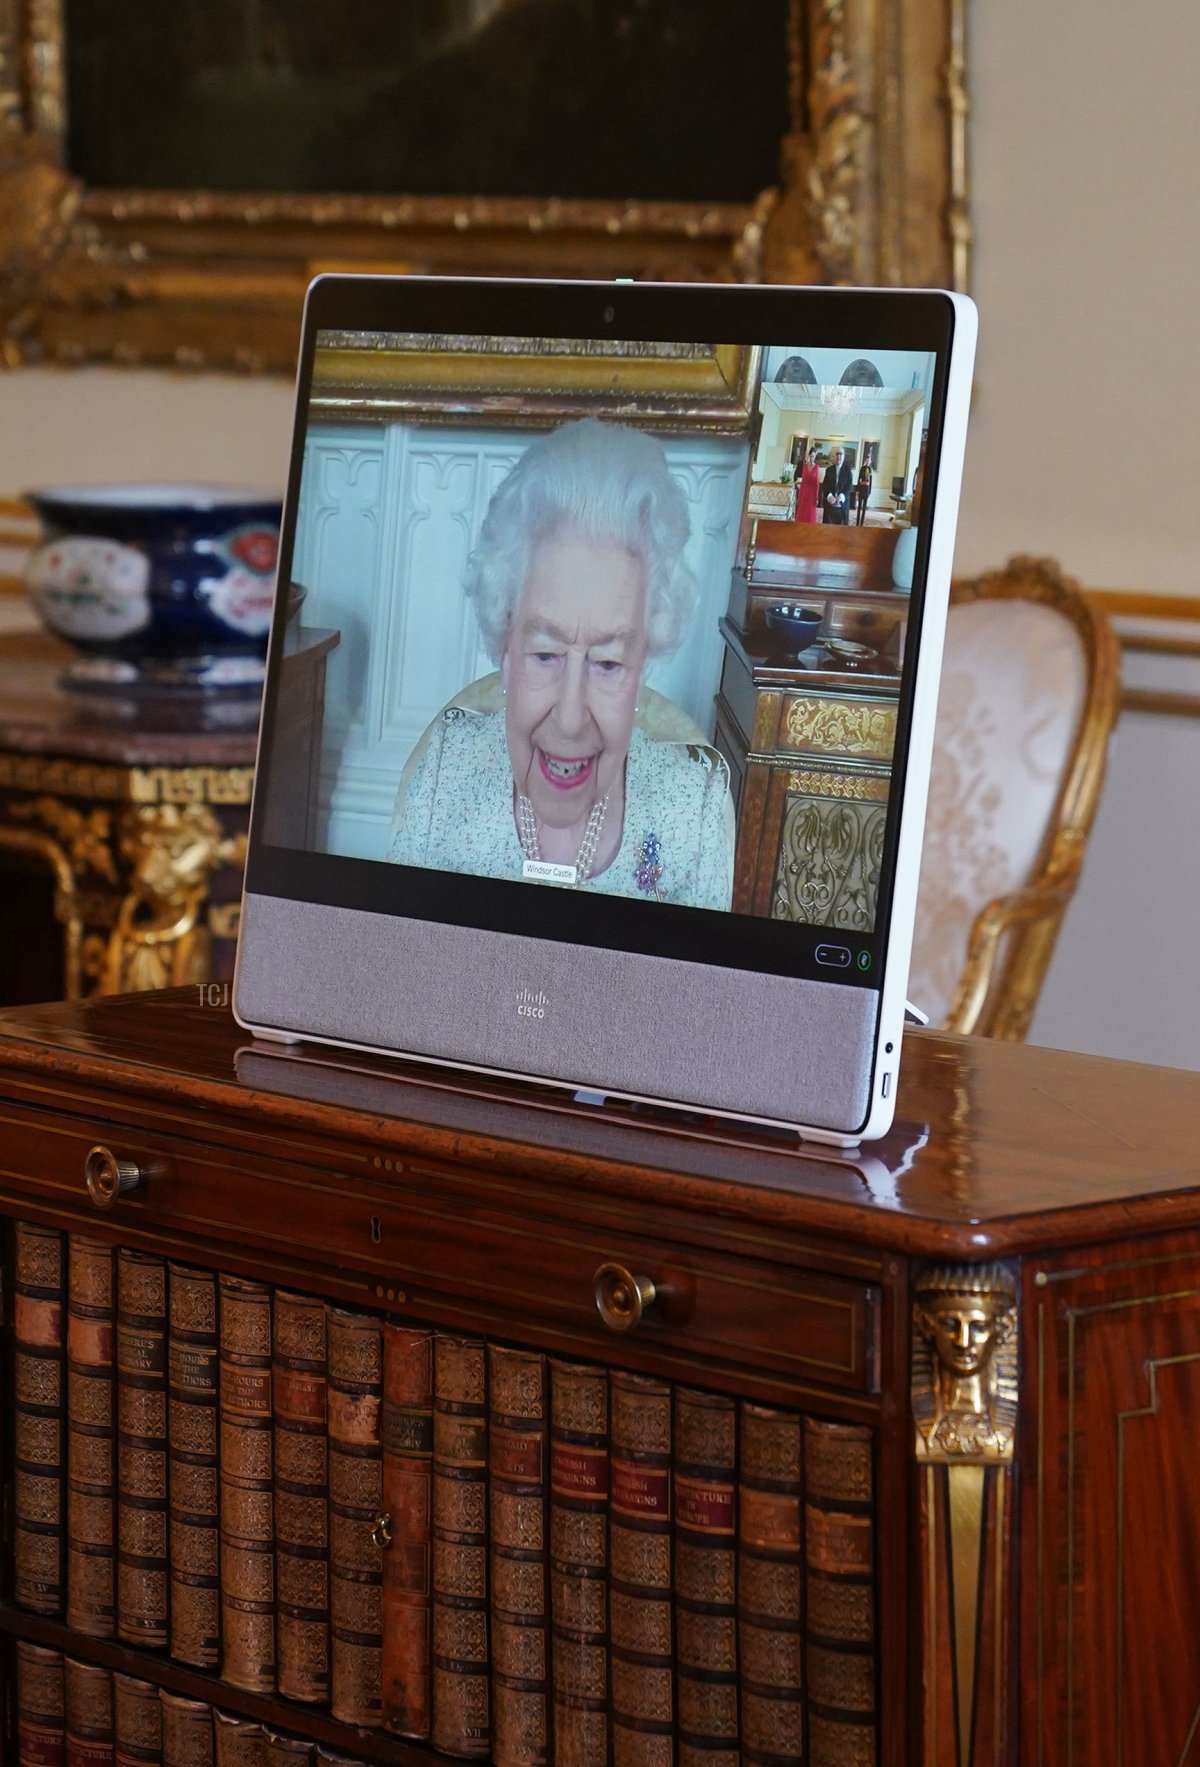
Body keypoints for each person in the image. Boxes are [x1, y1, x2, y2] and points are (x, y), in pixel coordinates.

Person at [388, 419, 734, 910]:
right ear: (506, 648)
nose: (570, 720)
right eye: (545, 655)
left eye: (608, 663)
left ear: (642, 664)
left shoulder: (691, 813)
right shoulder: (447, 773)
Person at [821, 446, 854, 524]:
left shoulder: (848, 471)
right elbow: (825, 485)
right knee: (827, 529)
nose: (839, 456)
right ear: (835, 456)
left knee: (841, 530)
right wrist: (829, 496)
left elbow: (849, 487)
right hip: (830, 505)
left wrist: (841, 496)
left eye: (840, 454)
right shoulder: (829, 470)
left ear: (844, 456)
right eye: (837, 454)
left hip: (842, 506)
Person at [796, 445, 821, 524]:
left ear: (815, 456)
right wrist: (799, 497)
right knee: (802, 513)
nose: (812, 458)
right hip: (804, 492)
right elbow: (803, 482)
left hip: (812, 494)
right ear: (809, 456)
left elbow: (817, 484)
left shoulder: (816, 467)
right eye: (811, 456)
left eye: (813, 456)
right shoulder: (805, 466)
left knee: (810, 514)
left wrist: (817, 498)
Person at [854, 454, 873, 525]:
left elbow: (871, 481)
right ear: (865, 460)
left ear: (870, 462)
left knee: (864, 507)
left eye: (869, 460)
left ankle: (861, 523)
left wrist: (869, 491)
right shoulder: (862, 468)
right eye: (867, 460)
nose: (868, 461)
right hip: (861, 489)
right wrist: (857, 490)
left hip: (867, 489)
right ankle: (857, 522)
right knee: (859, 507)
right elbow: (859, 479)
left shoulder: (870, 470)